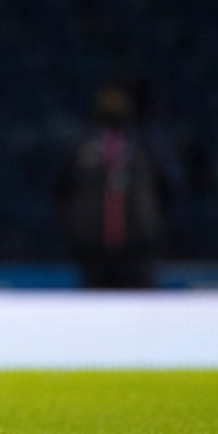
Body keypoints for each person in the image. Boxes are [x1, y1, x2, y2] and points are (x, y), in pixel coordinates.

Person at [55, 82, 172, 288]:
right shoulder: (80, 151)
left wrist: (149, 229)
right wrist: (78, 230)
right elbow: (61, 192)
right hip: (93, 250)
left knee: (140, 314)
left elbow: (166, 192)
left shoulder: (144, 151)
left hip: (136, 250)